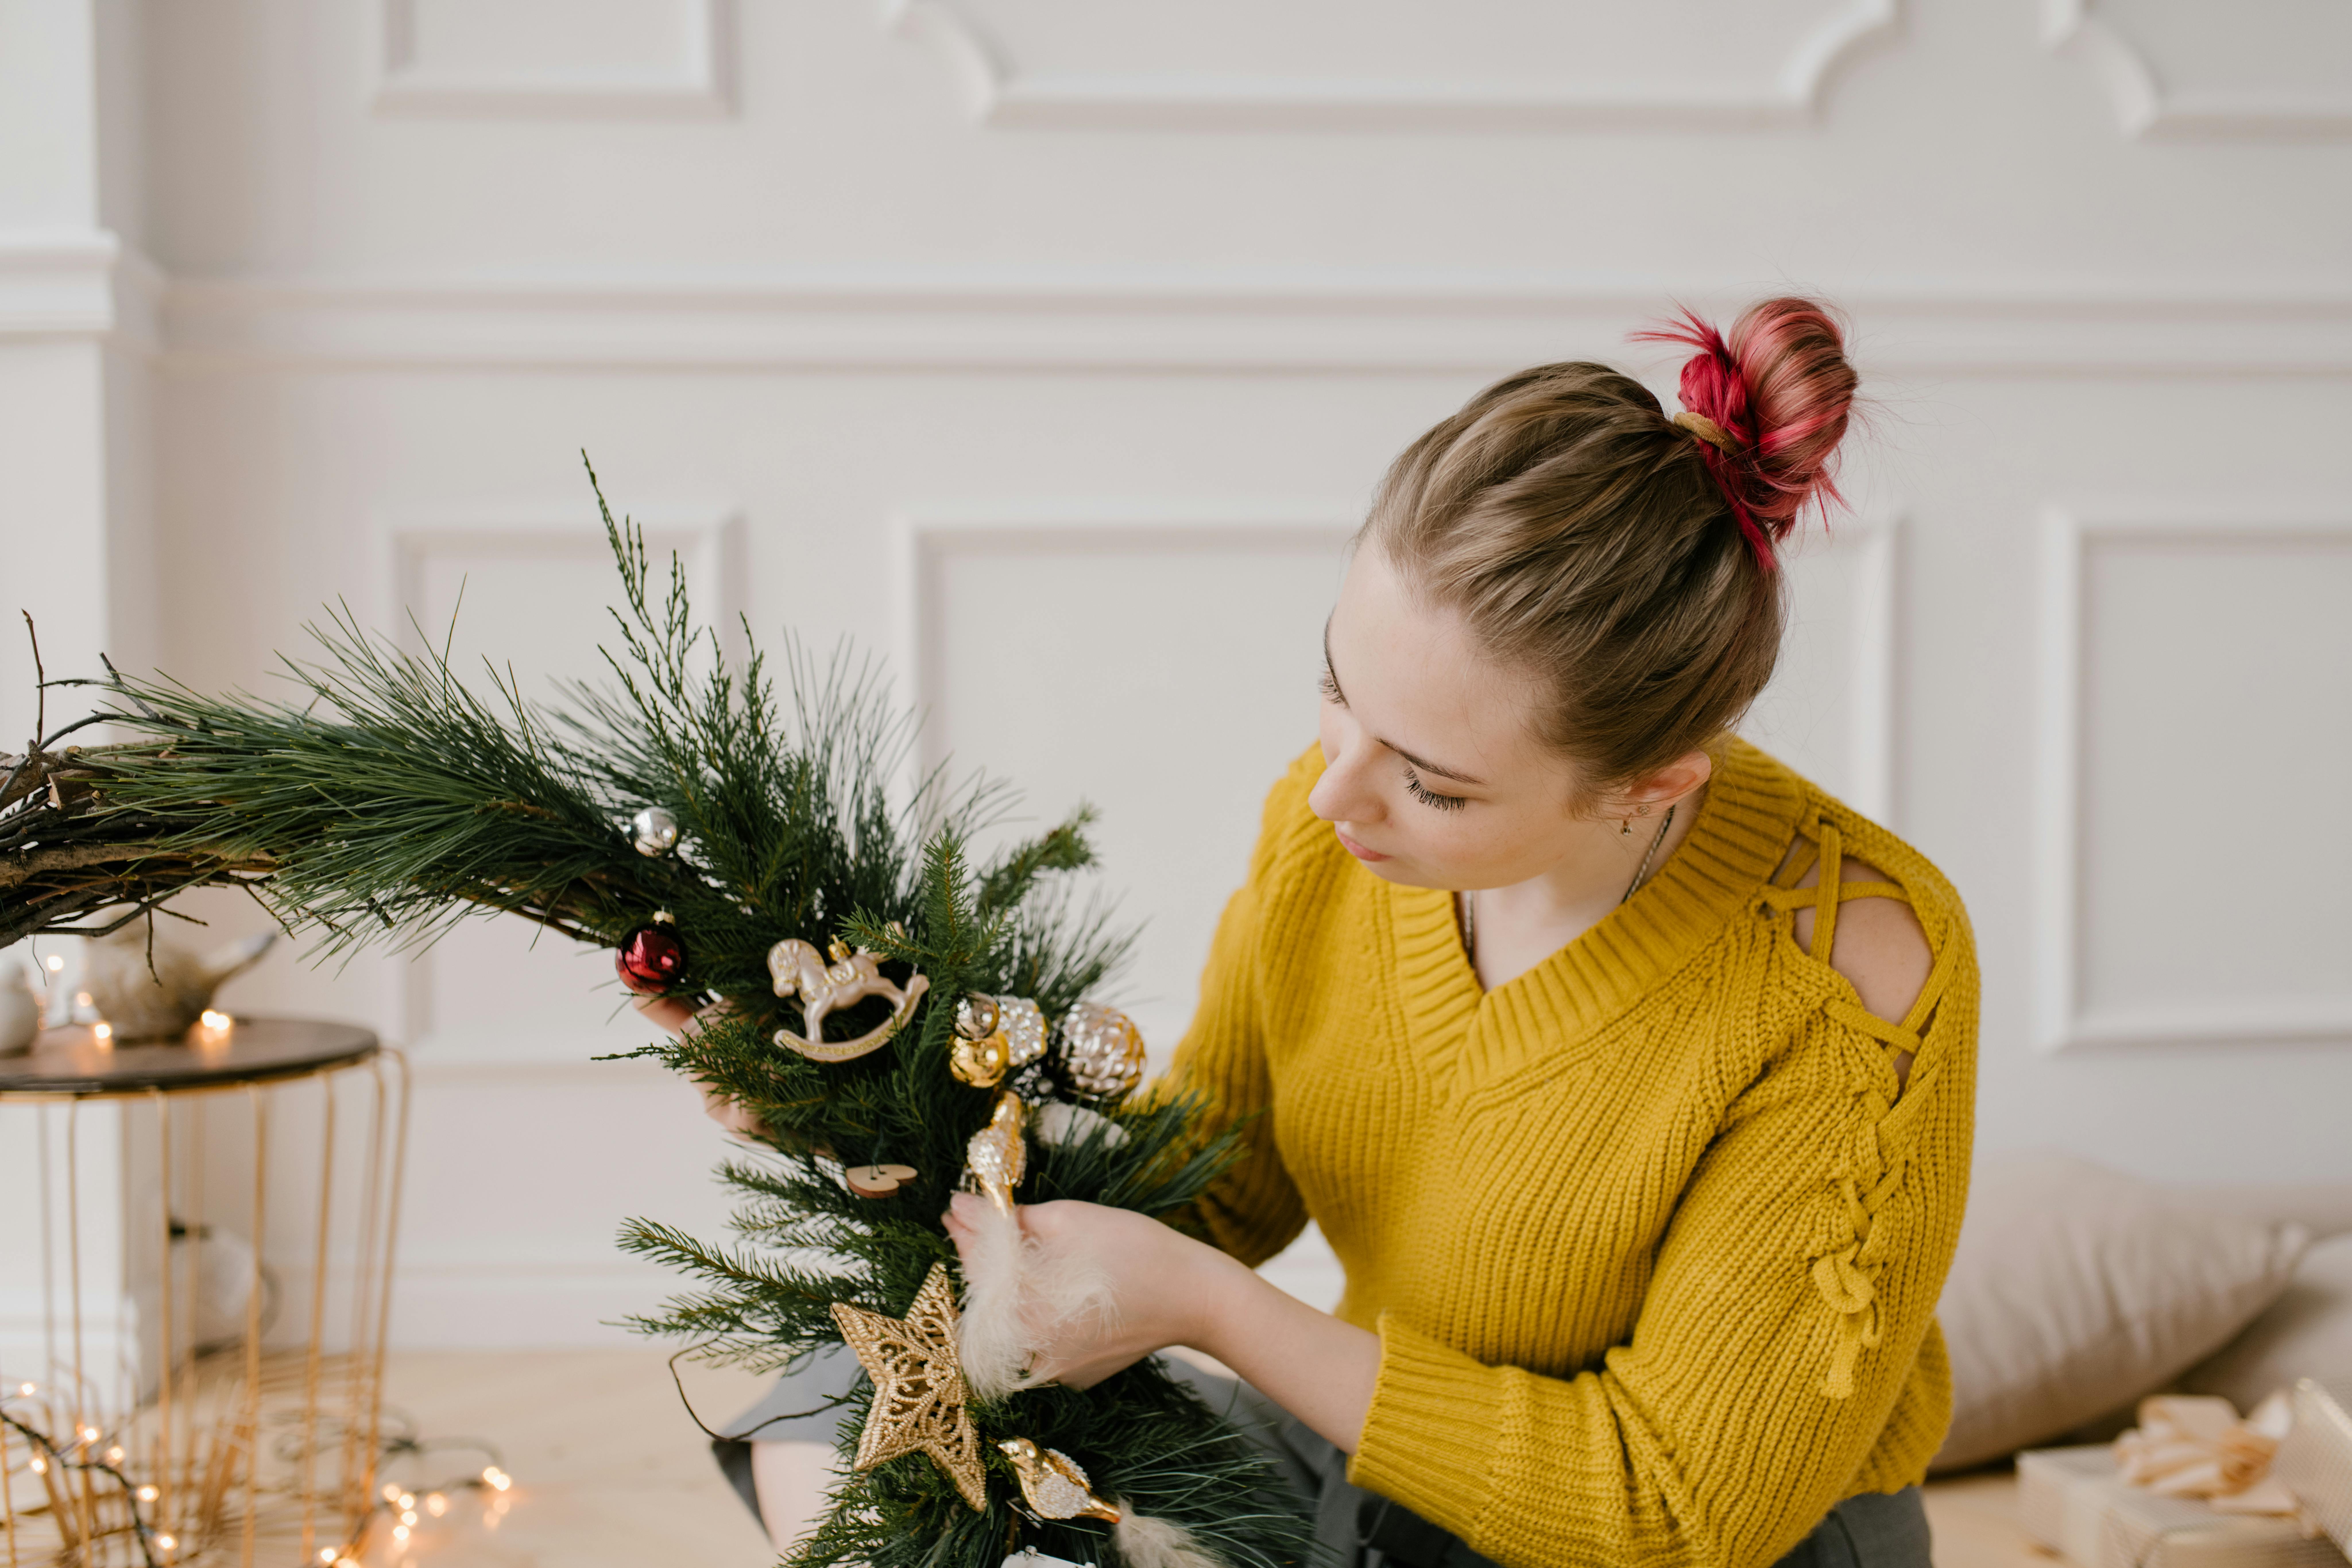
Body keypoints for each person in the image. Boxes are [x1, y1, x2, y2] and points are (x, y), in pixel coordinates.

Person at [651, 297, 1976, 1568]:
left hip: (1669, 1547)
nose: (1335, 790)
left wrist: (1216, 1309)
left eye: (1432, 782)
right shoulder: (1335, 819)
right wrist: (852, 1102)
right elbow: (1211, 1186)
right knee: (859, 1392)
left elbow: (1673, 1512)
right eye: (1338, 689)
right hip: (1377, 1470)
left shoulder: (1849, 978)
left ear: (1650, 784)